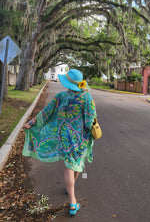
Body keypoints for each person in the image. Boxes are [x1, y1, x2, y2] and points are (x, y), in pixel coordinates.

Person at [23, 69, 97, 216]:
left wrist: (32, 122)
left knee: (71, 165)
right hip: (80, 138)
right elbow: (90, 121)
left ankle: (71, 187)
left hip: (64, 137)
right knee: (74, 165)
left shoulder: (61, 96)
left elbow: (47, 112)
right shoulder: (87, 98)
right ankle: (72, 202)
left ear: (68, 83)